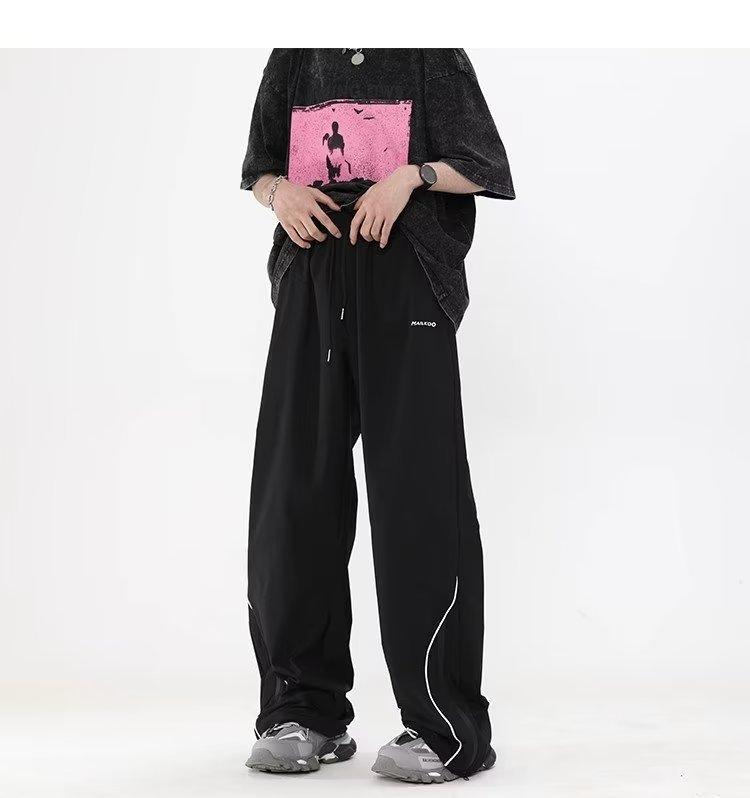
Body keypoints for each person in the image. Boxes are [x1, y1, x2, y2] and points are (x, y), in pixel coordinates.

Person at [240, 48, 514, 784]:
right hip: (310, 275)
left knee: (418, 499)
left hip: (405, 280)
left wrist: (411, 177)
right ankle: (304, 711)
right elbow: (260, 166)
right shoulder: (296, 54)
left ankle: (444, 726)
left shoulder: (430, 52)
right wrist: (278, 194)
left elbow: (483, 165)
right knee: (293, 496)